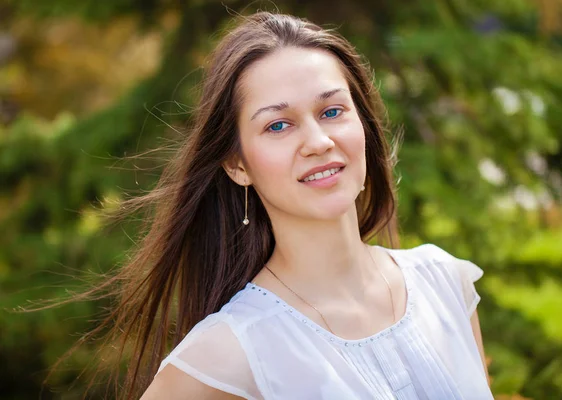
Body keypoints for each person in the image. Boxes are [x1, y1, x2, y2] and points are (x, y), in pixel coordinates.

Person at [114, 11, 493, 399]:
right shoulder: (228, 353)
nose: (318, 142)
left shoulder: (445, 283)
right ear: (237, 164)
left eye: (332, 112)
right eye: (278, 125)